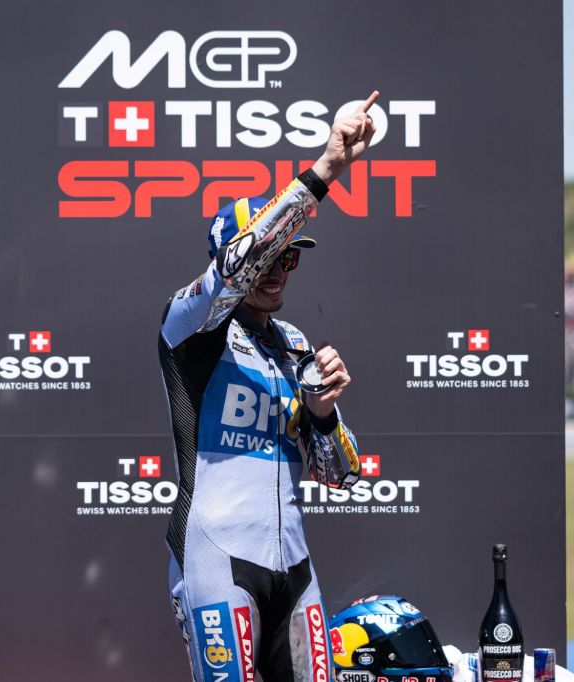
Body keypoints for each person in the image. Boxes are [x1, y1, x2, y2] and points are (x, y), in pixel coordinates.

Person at [159, 91, 380, 682]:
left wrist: (323, 413)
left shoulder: (293, 342)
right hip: (218, 555)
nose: (280, 269)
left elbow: (341, 474)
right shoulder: (192, 324)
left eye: (291, 259)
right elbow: (240, 265)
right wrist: (328, 167)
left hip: (294, 565)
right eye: (271, 257)